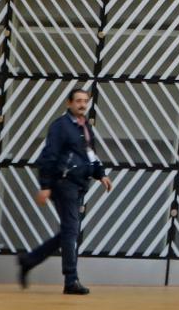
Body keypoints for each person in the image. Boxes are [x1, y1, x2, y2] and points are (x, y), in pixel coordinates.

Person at [17, 86, 110, 295]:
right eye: (78, 101)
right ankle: (71, 280)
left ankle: (28, 261)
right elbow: (49, 156)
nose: (82, 104)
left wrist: (101, 174)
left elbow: (90, 155)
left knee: (68, 232)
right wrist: (45, 186)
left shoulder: (85, 127)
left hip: (79, 185)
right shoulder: (60, 127)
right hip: (63, 184)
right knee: (71, 231)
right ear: (69, 103)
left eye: (85, 101)